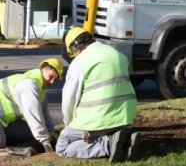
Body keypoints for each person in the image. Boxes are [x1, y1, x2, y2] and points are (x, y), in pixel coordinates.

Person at [56, 27, 139, 162]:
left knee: (63, 146)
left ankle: (108, 144)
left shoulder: (79, 62)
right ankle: (125, 139)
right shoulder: (117, 54)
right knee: (97, 132)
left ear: (75, 48)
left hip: (98, 119)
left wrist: (68, 123)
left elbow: (68, 100)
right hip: (125, 116)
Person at [0, 58, 63, 157]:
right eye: (50, 76)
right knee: (1, 142)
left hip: (5, 122)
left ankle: (10, 145)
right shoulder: (29, 86)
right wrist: (45, 140)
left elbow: (45, 115)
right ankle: (7, 151)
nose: (51, 81)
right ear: (42, 70)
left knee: (30, 133)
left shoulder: (40, 89)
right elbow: (32, 113)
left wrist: (51, 133)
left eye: (55, 80)